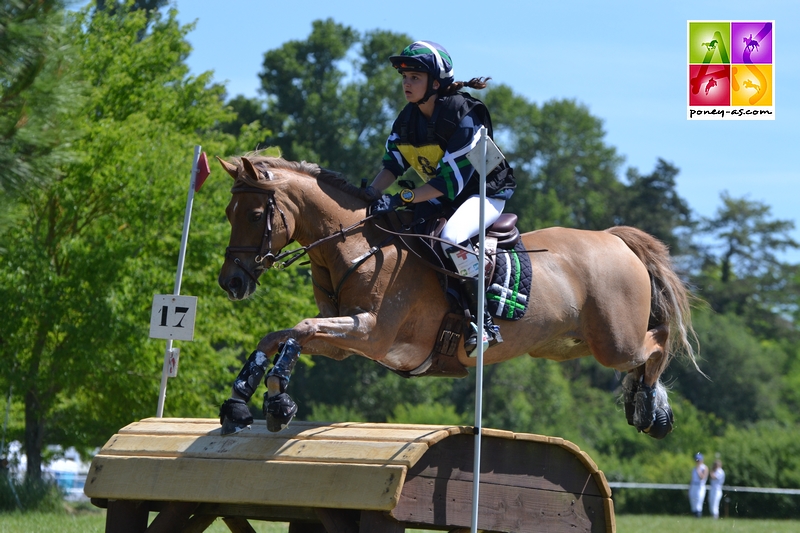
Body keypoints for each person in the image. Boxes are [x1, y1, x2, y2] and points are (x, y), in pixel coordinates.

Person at [367, 40, 516, 354]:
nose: (406, 84)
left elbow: (449, 185)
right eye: (405, 77)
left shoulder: (466, 116)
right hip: (444, 195)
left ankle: (482, 320)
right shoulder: (408, 119)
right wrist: (368, 196)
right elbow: (392, 165)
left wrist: (401, 198)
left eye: (415, 78)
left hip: (483, 193)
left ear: (436, 83)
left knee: (451, 236)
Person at [689, 452, 708, 517]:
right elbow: (692, 479)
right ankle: (694, 515)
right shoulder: (694, 468)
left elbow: (702, 477)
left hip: (700, 486)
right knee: (693, 501)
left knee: (698, 501)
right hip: (694, 486)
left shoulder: (704, 468)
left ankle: (698, 515)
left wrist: (698, 470)